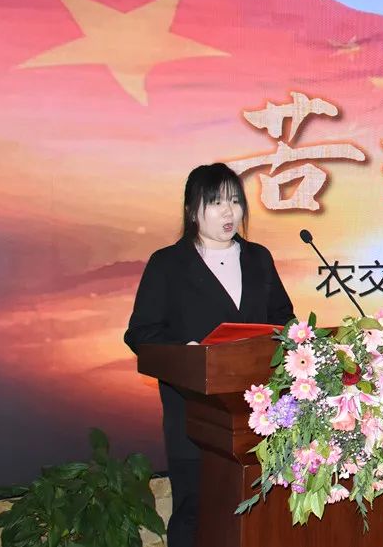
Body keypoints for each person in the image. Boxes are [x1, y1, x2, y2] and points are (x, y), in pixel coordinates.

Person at [124, 163, 293, 547]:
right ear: (192, 210)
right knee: (196, 514)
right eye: (216, 202)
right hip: (194, 416)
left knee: (259, 517)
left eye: (235, 201)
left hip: (258, 417)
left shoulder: (258, 258)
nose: (229, 211)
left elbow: (283, 319)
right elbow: (141, 333)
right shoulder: (168, 264)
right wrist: (183, 354)